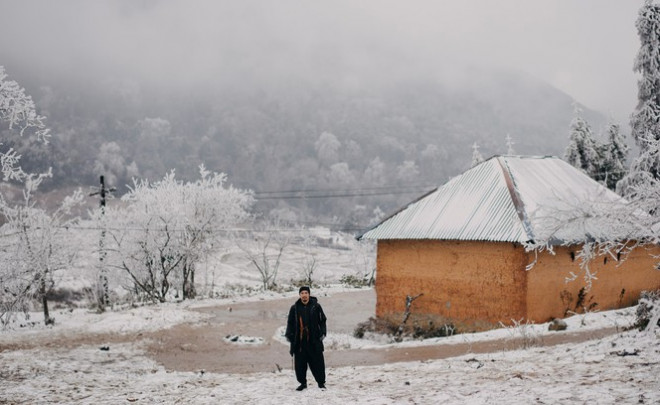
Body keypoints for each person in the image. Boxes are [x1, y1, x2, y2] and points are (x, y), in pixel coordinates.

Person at [285, 286, 327, 391]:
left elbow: (323, 320)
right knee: (300, 365)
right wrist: (289, 335)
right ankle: (303, 383)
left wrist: (322, 332)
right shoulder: (294, 308)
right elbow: (290, 323)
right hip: (299, 342)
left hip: (314, 340)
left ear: (309, 294)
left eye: (306, 293)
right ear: (299, 295)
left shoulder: (316, 306)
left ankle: (321, 383)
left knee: (317, 363)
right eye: (302, 293)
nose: (304, 295)